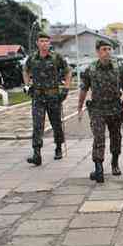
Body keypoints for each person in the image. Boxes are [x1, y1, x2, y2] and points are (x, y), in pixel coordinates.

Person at [77, 40, 123, 183]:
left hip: (115, 108)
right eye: (104, 49)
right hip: (97, 109)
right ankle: (99, 168)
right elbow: (83, 89)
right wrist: (79, 108)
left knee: (116, 137)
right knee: (99, 137)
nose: (107, 52)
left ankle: (115, 163)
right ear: (98, 51)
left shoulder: (118, 67)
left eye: (109, 49)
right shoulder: (90, 69)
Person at [23, 32, 71, 166]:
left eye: (46, 41)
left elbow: (68, 72)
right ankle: (36, 153)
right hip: (37, 96)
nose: (44, 43)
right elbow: (25, 70)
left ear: (49, 43)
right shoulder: (32, 58)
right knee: (37, 125)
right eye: (42, 41)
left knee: (56, 123)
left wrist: (66, 89)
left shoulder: (56, 58)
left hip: (53, 96)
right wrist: (27, 85)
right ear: (37, 43)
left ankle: (58, 148)